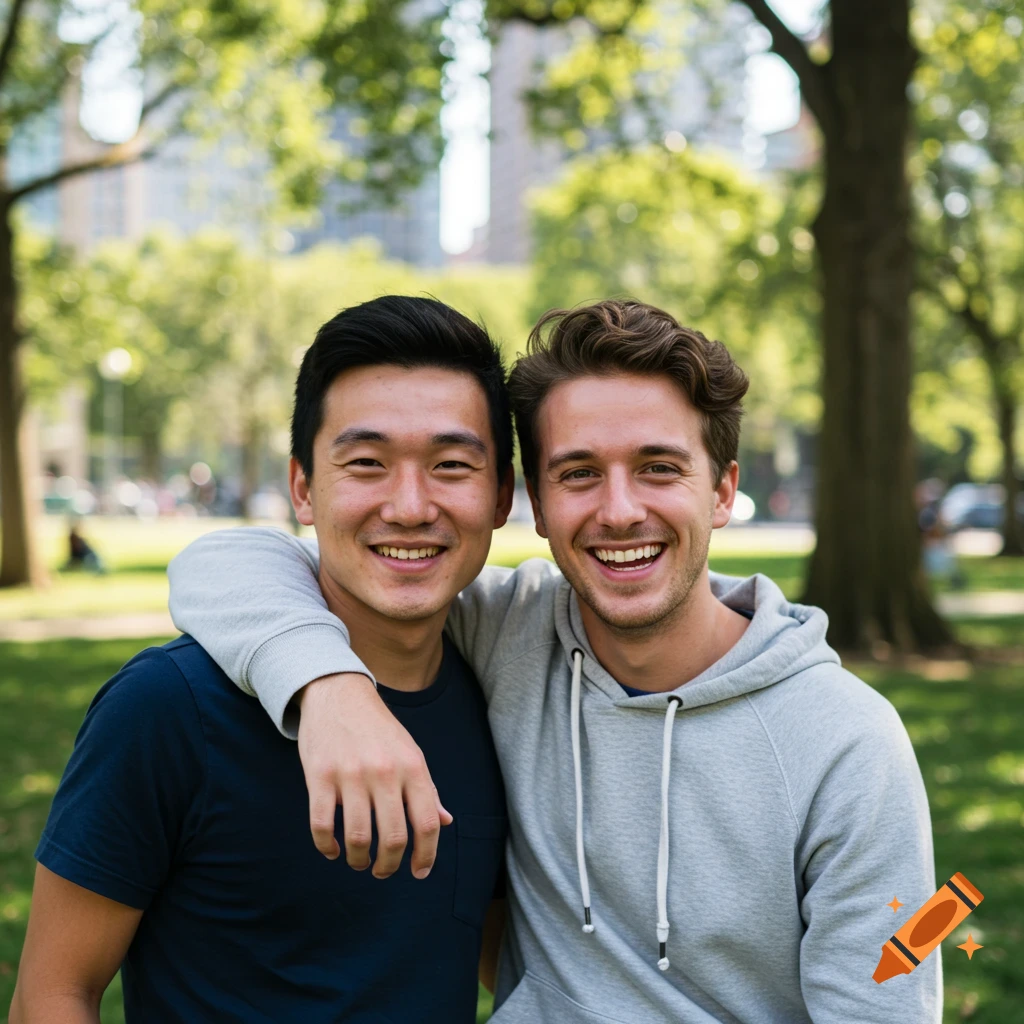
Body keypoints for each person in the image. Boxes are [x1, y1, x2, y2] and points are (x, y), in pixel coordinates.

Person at [167, 300, 940, 1023]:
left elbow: (888, 1001)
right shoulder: (508, 630)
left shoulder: (852, 743)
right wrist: (331, 689)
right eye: (578, 474)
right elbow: (221, 563)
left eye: (659, 469)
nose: (619, 510)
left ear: (722, 491)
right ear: (531, 498)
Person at [11, 296, 515, 1024]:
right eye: (367, 463)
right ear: (303, 487)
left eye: (452, 465)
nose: (410, 505)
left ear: (501, 494)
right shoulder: (168, 707)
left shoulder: (504, 695)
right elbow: (52, 995)